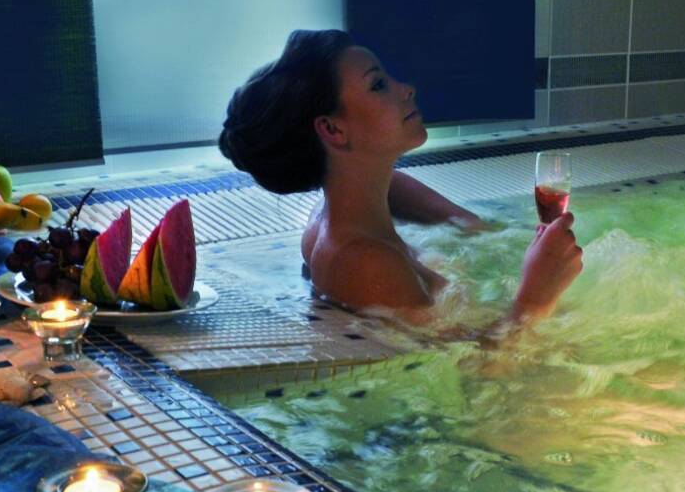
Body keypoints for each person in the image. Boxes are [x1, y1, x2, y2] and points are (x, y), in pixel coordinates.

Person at [219, 29, 582, 329]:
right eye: (378, 84)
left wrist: (486, 232)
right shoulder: (363, 262)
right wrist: (536, 298)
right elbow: (479, 370)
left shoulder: (342, 209)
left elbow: (394, 187)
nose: (406, 88)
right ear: (333, 129)